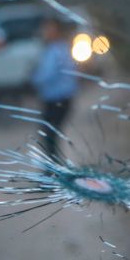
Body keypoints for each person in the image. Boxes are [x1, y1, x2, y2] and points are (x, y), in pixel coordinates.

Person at [31, 17, 79, 157]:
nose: (45, 32)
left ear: (57, 31)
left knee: (50, 136)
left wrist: (33, 78)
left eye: (48, 29)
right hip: (61, 98)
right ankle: (53, 169)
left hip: (57, 100)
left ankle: (53, 171)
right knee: (51, 136)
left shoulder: (56, 50)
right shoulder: (60, 48)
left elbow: (47, 75)